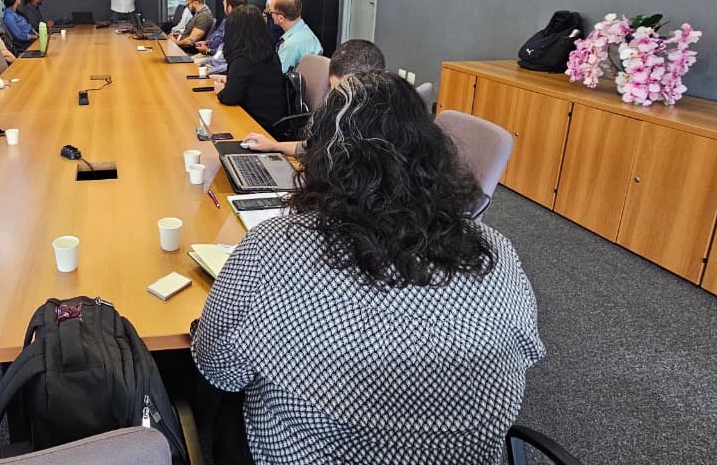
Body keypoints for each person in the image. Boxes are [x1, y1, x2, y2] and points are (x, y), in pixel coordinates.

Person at [192, 71, 545, 464]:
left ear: (320, 156)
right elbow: (526, 352)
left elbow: (218, 368)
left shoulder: (275, 245)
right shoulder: (494, 250)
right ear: (432, 152)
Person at [243, 38, 385, 155]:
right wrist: (274, 146)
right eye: (335, 91)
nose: (340, 100)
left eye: (346, 93)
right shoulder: (340, 113)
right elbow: (313, 147)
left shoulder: (387, 130)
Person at [212, 5, 287, 133]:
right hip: (273, 121)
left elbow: (230, 97)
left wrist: (220, 91)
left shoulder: (243, 58)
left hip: (258, 126)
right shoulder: (268, 52)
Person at [194, 0, 247, 72]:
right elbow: (219, 52)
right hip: (213, 61)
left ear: (229, 8)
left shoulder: (240, 30)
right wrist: (207, 42)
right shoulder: (227, 22)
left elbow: (230, 64)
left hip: (219, 68)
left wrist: (209, 71)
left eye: (224, 4)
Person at [270, 0, 323, 73]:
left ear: (281, 18)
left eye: (271, 12)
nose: (271, 15)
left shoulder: (290, 45)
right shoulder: (307, 33)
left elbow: (279, 75)